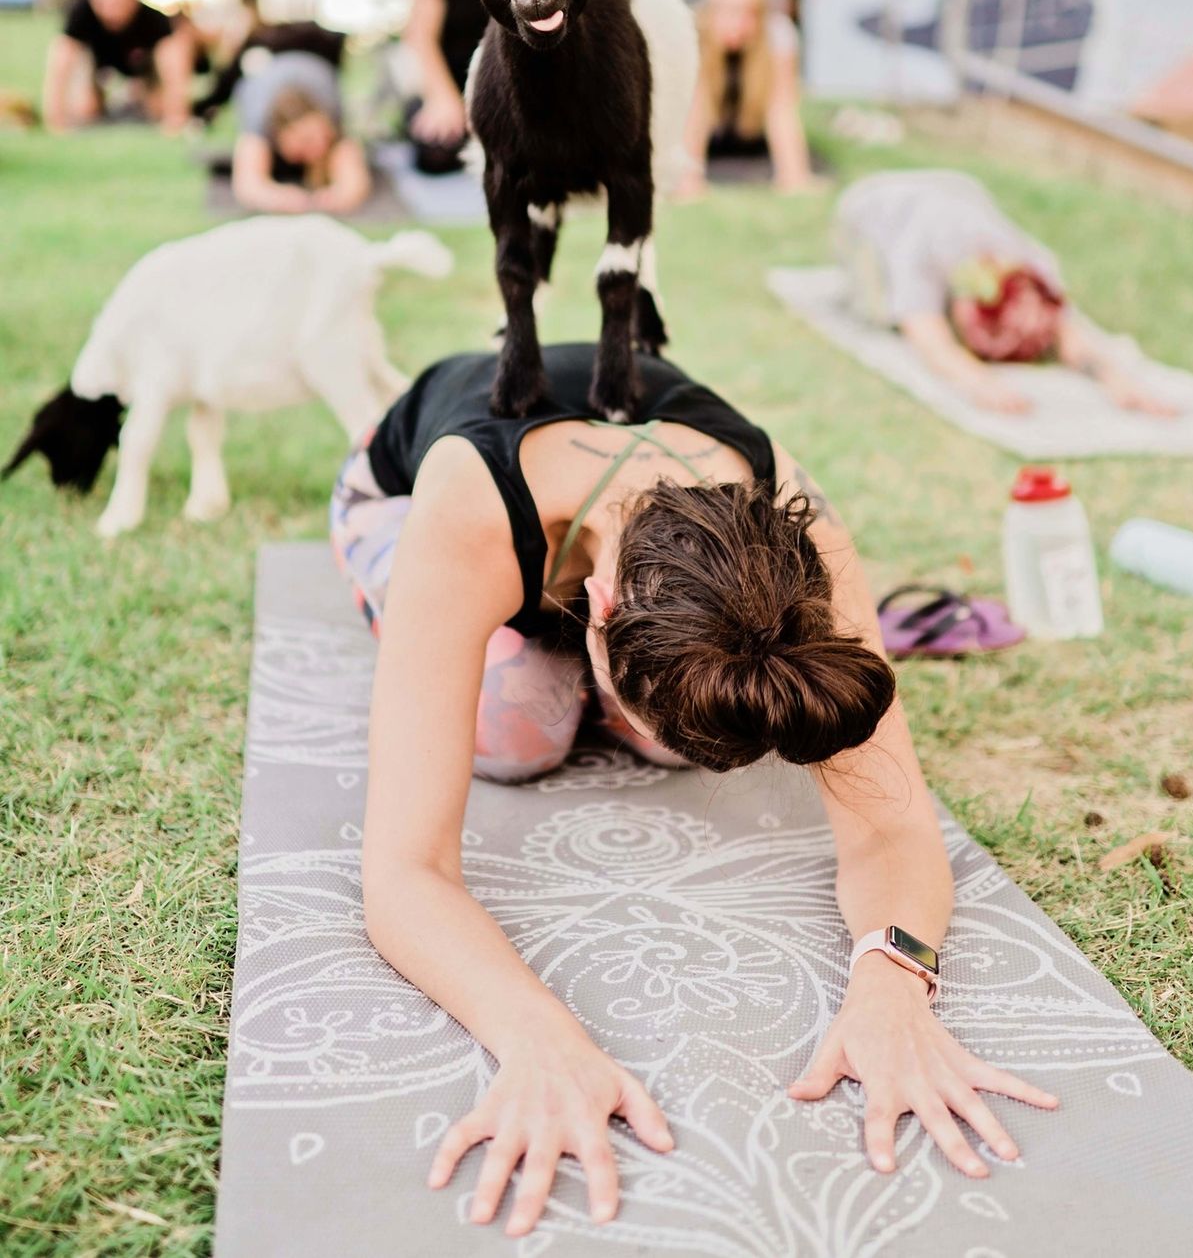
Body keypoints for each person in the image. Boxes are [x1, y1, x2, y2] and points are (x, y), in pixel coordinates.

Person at [330, 341, 1057, 1239]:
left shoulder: (800, 537)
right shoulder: (471, 503)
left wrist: (893, 979)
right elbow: (405, 872)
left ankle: (640, 694)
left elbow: (890, 827)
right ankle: (548, 661)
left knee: (711, 719)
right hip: (406, 497)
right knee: (518, 726)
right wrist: (537, 1038)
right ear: (598, 609)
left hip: (604, 564)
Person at [835, 169, 1176, 416]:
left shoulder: (1035, 266)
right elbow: (929, 340)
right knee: (878, 313)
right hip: (873, 200)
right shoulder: (924, 257)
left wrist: (1114, 377)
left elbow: (1070, 333)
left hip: (959, 186)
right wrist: (979, 380)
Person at [680, 0, 818, 196]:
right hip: (710, 139)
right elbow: (695, 113)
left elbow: (782, 110)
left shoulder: (778, 36)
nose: (736, 22)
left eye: (746, 12)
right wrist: (689, 180)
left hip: (751, 139)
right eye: (726, 11)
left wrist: (793, 175)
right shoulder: (693, 34)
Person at [43, 0, 197, 132]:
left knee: (173, 53)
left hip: (143, 72)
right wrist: (55, 118)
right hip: (96, 72)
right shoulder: (81, 14)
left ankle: (168, 111)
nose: (111, 5)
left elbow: (174, 55)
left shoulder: (151, 19)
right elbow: (62, 55)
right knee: (84, 107)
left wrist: (176, 113)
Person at [231, 49, 371, 216]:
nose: (316, 149)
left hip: (317, 71)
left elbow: (354, 179)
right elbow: (247, 186)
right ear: (278, 136)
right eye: (305, 142)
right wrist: (279, 198)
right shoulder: (259, 117)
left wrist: (338, 196)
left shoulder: (331, 109)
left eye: (321, 139)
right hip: (266, 81)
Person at [401, 0, 489, 173]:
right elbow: (419, 36)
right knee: (435, 154)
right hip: (449, 86)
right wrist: (443, 98)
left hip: (499, 90)